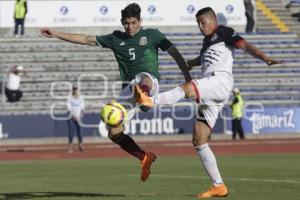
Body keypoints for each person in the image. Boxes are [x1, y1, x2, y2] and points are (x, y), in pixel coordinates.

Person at [135, 7, 281, 198]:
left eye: (202, 22)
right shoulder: (207, 41)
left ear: (212, 20)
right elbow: (204, 58)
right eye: (198, 23)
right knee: (199, 139)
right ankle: (218, 186)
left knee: (187, 88)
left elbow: (245, 46)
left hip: (220, 80)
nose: (200, 26)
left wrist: (265, 58)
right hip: (212, 88)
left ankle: (150, 100)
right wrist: (191, 63)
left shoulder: (224, 32)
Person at [40, 3, 190, 181]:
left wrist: (188, 77)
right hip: (129, 88)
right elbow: (86, 39)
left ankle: (145, 97)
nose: (130, 27)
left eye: (134, 22)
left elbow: (175, 53)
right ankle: (144, 157)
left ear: (140, 21)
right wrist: (56, 33)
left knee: (144, 77)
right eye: (126, 23)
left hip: (149, 82)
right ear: (122, 22)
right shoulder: (115, 38)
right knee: (114, 132)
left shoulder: (152, 34)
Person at [67, 86, 85, 153]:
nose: (77, 92)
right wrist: (73, 116)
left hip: (79, 118)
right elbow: (69, 108)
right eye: (75, 90)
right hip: (71, 118)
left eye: (77, 90)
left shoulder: (81, 98)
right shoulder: (70, 98)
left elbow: (82, 108)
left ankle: (80, 145)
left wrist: (79, 116)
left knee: (80, 132)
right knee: (71, 132)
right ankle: (70, 146)